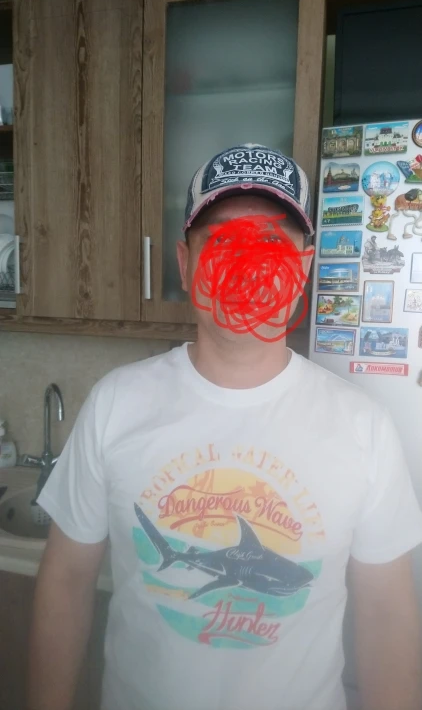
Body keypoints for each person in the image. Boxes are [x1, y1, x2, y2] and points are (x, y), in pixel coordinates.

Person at [29, 144, 422, 710]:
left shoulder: (366, 428)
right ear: (185, 264)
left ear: (304, 267)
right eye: (221, 242)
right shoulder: (116, 402)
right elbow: (66, 579)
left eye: (271, 244)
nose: (247, 263)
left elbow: (387, 615)